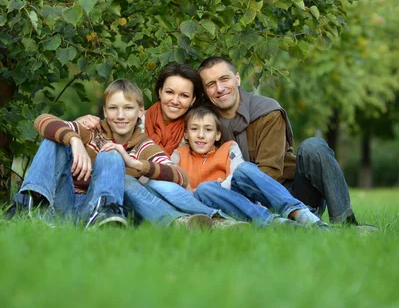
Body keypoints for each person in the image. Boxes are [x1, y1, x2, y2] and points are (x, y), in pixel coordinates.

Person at [196, 56, 378, 230]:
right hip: (238, 198)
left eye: (224, 79)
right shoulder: (204, 124)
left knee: (313, 146)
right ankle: (280, 223)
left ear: (237, 78)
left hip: (289, 192)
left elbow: (270, 173)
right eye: (211, 84)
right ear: (205, 91)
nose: (219, 88)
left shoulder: (267, 112)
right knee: (207, 189)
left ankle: (346, 223)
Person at [7, 79, 196, 228]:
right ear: (105, 111)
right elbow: (42, 120)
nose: (120, 115)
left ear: (140, 112)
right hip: (65, 201)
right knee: (54, 138)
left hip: (94, 206)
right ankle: (27, 201)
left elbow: (180, 175)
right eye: (113, 108)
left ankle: (105, 214)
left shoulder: (144, 145)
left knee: (111, 155)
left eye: (128, 108)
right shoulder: (92, 131)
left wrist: (135, 163)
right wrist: (74, 140)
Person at [77, 66, 223, 227]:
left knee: (158, 184)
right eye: (170, 92)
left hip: (180, 193)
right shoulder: (134, 120)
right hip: (136, 193)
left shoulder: (195, 130)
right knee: (131, 181)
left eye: (184, 95)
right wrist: (81, 125)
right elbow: (110, 123)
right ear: (160, 92)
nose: (175, 100)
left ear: (193, 100)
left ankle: (211, 219)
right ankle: (198, 221)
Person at [173, 106, 328, 228]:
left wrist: (222, 185)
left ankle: (300, 213)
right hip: (212, 203)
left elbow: (236, 174)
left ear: (218, 134)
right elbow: (172, 187)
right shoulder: (179, 154)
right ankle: (273, 222)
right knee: (205, 189)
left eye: (208, 129)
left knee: (245, 168)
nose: (201, 135)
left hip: (239, 197)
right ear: (186, 134)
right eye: (194, 129)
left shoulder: (228, 148)